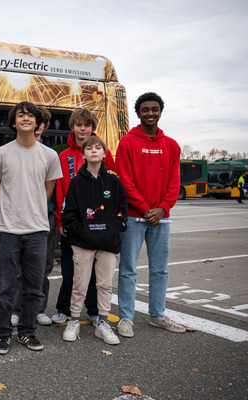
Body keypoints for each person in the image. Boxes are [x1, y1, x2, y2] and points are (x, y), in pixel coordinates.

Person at [0, 101, 62, 355]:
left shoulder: (49, 156)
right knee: (5, 288)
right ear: (13, 122)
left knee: (33, 287)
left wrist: (30, 209)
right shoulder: (0, 154)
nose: (26, 118)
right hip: (7, 231)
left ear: (38, 123)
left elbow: (47, 191)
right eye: (21, 115)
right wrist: (11, 210)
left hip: (38, 231)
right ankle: (3, 334)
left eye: (31, 115)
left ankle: (27, 332)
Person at [115, 92, 186, 337]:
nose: (150, 113)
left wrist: (162, 208)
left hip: (161, 219)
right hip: (135, 218)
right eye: (145, 109)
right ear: (138, 113)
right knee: (128, 270)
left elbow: (174, 184)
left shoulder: (172, 146)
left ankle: (157, 315)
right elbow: (125, 181)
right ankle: (125, 318)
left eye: (154, 109)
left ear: (160, 112)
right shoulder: (127, 143)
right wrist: (146, 209)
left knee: (159, 270)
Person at [61, 136, 127, 345]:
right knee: (79, 284)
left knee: (105, 285)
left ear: (105, 154)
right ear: (83, 154)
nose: (94, 151)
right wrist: (80, 232)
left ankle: (103, 323)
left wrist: (115, 229)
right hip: (83, 244)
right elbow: (69, 214)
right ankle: (74, 320)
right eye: (89, 148)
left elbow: (122, 210)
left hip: (108, 243)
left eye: (98, 147)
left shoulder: (114, 181)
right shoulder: (76, 183)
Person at [53, 108, 115, 325]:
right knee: (70, 269)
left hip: (97, 222)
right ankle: (64, 308)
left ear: (92, 128)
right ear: (72, 127)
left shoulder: (103, 153)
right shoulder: (63, 156)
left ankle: (93, 310)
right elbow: (59, 190)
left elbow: (113, 187)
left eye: (87, 125)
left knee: (95, 271)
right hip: (72, 222)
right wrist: (61, 221)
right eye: (79, 124)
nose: (82, 128)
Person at [11, 110, 56, 327]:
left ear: (43, 126)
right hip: (20, 216)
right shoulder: (15, 149)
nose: (37, 127)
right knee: (20, 267)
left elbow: (53, 186)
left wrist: (40, 206)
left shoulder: (49, 153)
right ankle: (17, 309)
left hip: (45, 215)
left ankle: (39, 308)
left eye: (41, 124)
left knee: (43, 266)